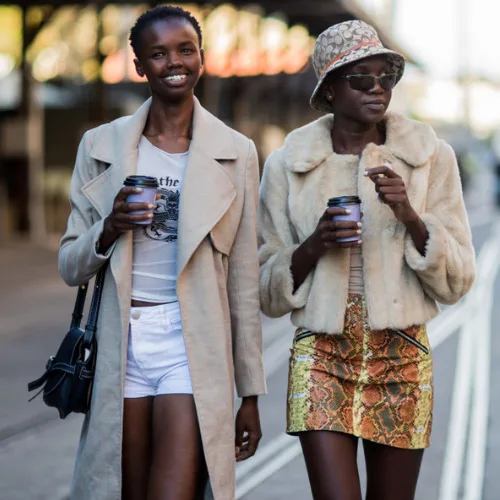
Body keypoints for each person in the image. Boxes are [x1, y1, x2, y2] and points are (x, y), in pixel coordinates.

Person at [258, 20, 476, 500]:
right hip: (322, 353)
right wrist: (315, 243)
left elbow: (458, 280)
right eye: (361, 78)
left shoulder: (429, 157)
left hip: (401, 355)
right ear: (331, 90)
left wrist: (410, 215)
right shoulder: (288, 164)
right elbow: (266, 288)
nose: (378, 89)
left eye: (386, 78)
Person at [58, 5, 266, 500]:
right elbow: (70, 264)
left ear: (201, 58)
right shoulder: (99, 145)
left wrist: (250, 395)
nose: (174, 61)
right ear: (139, 65)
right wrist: (109, 228)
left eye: (185, 49)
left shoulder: (236, 152)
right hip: (121, 343)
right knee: (123, 489)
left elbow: (242, 281)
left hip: (190, 345)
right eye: (158, 53)